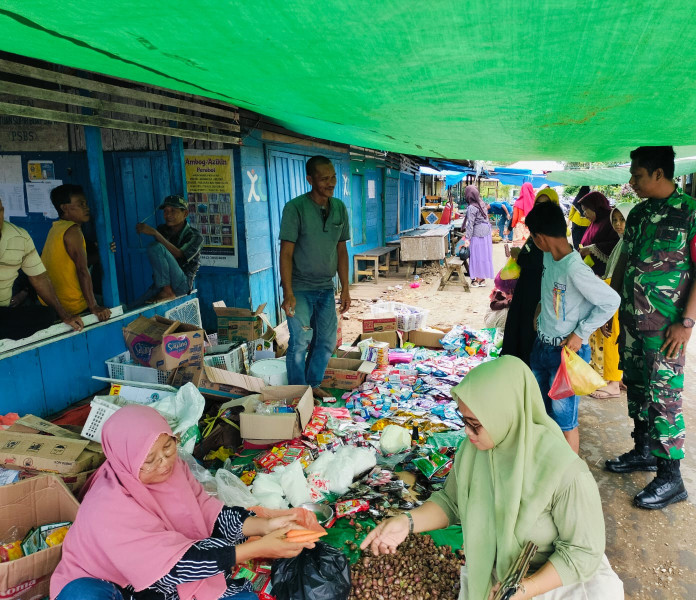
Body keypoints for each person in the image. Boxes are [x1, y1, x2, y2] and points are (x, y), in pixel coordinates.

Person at [361, 356, 624, 600]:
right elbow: (451, 502)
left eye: (475, 424)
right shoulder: (473, 451)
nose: (467, 432)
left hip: (554, 579)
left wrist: (525, 588)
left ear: (506, 416)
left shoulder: (566, 472)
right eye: (465, 421)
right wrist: (406, 522)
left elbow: (582, 552)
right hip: (501, 573)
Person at [51, 405, 319, 600]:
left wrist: (265, 525)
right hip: (108, 582)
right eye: (149, 459)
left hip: (162, 571)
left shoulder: (174, 471)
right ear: (125, 461)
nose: (164, 463)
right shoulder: (106, 508)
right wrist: (257, 548)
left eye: (168, 447)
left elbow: (207, 513)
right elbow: (169, 569)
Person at [605, 146, 696, 510]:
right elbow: (625, 259)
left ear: (658, 173)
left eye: (637, 175)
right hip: (632, 320)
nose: (631, 182)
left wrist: (687, 323)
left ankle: (672, 478)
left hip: (666, 327)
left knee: (663, 396)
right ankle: (644, 451)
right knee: (637, 387)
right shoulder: (638, 213)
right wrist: (611, 306)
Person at [527, 201, 620, 453]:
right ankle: (548, 459)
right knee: (542, 411)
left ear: (539, 238)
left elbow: (611, 301)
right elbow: (550, 289)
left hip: (566, 356)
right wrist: (540, 308)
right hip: (542, 346)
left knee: (565, 420)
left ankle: (569, 471)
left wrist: (581, 333)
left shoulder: (574, 268)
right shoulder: (549, 256)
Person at [279, 156, 350, 398]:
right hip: (299, 287)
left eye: (333, 177)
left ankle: (312, 384)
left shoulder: (339, 208)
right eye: (324, 178)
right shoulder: (295, 208)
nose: (331, 183)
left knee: (327, 340)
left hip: (326, 286)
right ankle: (298, 393)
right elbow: (286, 252)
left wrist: (345, 288)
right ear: (310, 180)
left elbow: (341, 250)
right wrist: (288, 292)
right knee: (300, 341)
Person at [0, 196, 83, 340]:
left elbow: (39, 278)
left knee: (47, 315)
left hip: (4, 315)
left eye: (0, 210)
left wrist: (64, 315)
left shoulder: (20, 237)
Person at [500, 189, 562, 364]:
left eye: (546, 205)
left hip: (540, 290)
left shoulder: (553, 233)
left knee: (530, 330)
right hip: (526, 287)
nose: (542, 209)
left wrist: (519, 256)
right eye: (539, 204)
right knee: (519, 326)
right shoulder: (536, 230)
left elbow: (537, 261)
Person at [40, 184, 111, 321]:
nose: (86, 208)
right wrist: (94, 306)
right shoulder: (73, 230)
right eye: (80, 204)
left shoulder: (56, 228)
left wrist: (105, 251)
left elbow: (74, 262)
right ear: (64, 207)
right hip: (71, 304)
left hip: (51, 302)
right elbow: (82, 270)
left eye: (86, 204)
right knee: (121, 307)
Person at [589, 202, 636, 400]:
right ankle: (620, 377)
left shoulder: (629, 243)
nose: (618, 224)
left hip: (618, 297)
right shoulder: (622, 242)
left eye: (622, 219)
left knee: (612, 338)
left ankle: (613, 384)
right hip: (615, 295)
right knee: (618, 339)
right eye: (615, 220)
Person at [136, 195, 203, 302]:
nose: (168, 215)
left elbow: (179, 254)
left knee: (155, 247)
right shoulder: (163, 230)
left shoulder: (195, 236)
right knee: (135, 306)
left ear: (185, 214)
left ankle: (167, 291)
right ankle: (165, 289)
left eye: (173, 211)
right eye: (165, 211)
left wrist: (155, 233)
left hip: (182, 285)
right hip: (162, 284)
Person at [576, 192, 618, 276]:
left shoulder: (611, 220)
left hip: (603, 273)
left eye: (585, 210)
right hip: (590, 270)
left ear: (596, 207)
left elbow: (617, 244)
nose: (584, 214)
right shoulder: (595, 222)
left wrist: (592, 249)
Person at [462, 185, 494, 287]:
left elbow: (470, 224)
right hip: (486, 232)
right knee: (484, 255)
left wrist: (467, 238)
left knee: (476, 256)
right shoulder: (482, 203)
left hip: (477, 234)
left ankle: (476, 280)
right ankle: (482, 279)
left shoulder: (472, 207)